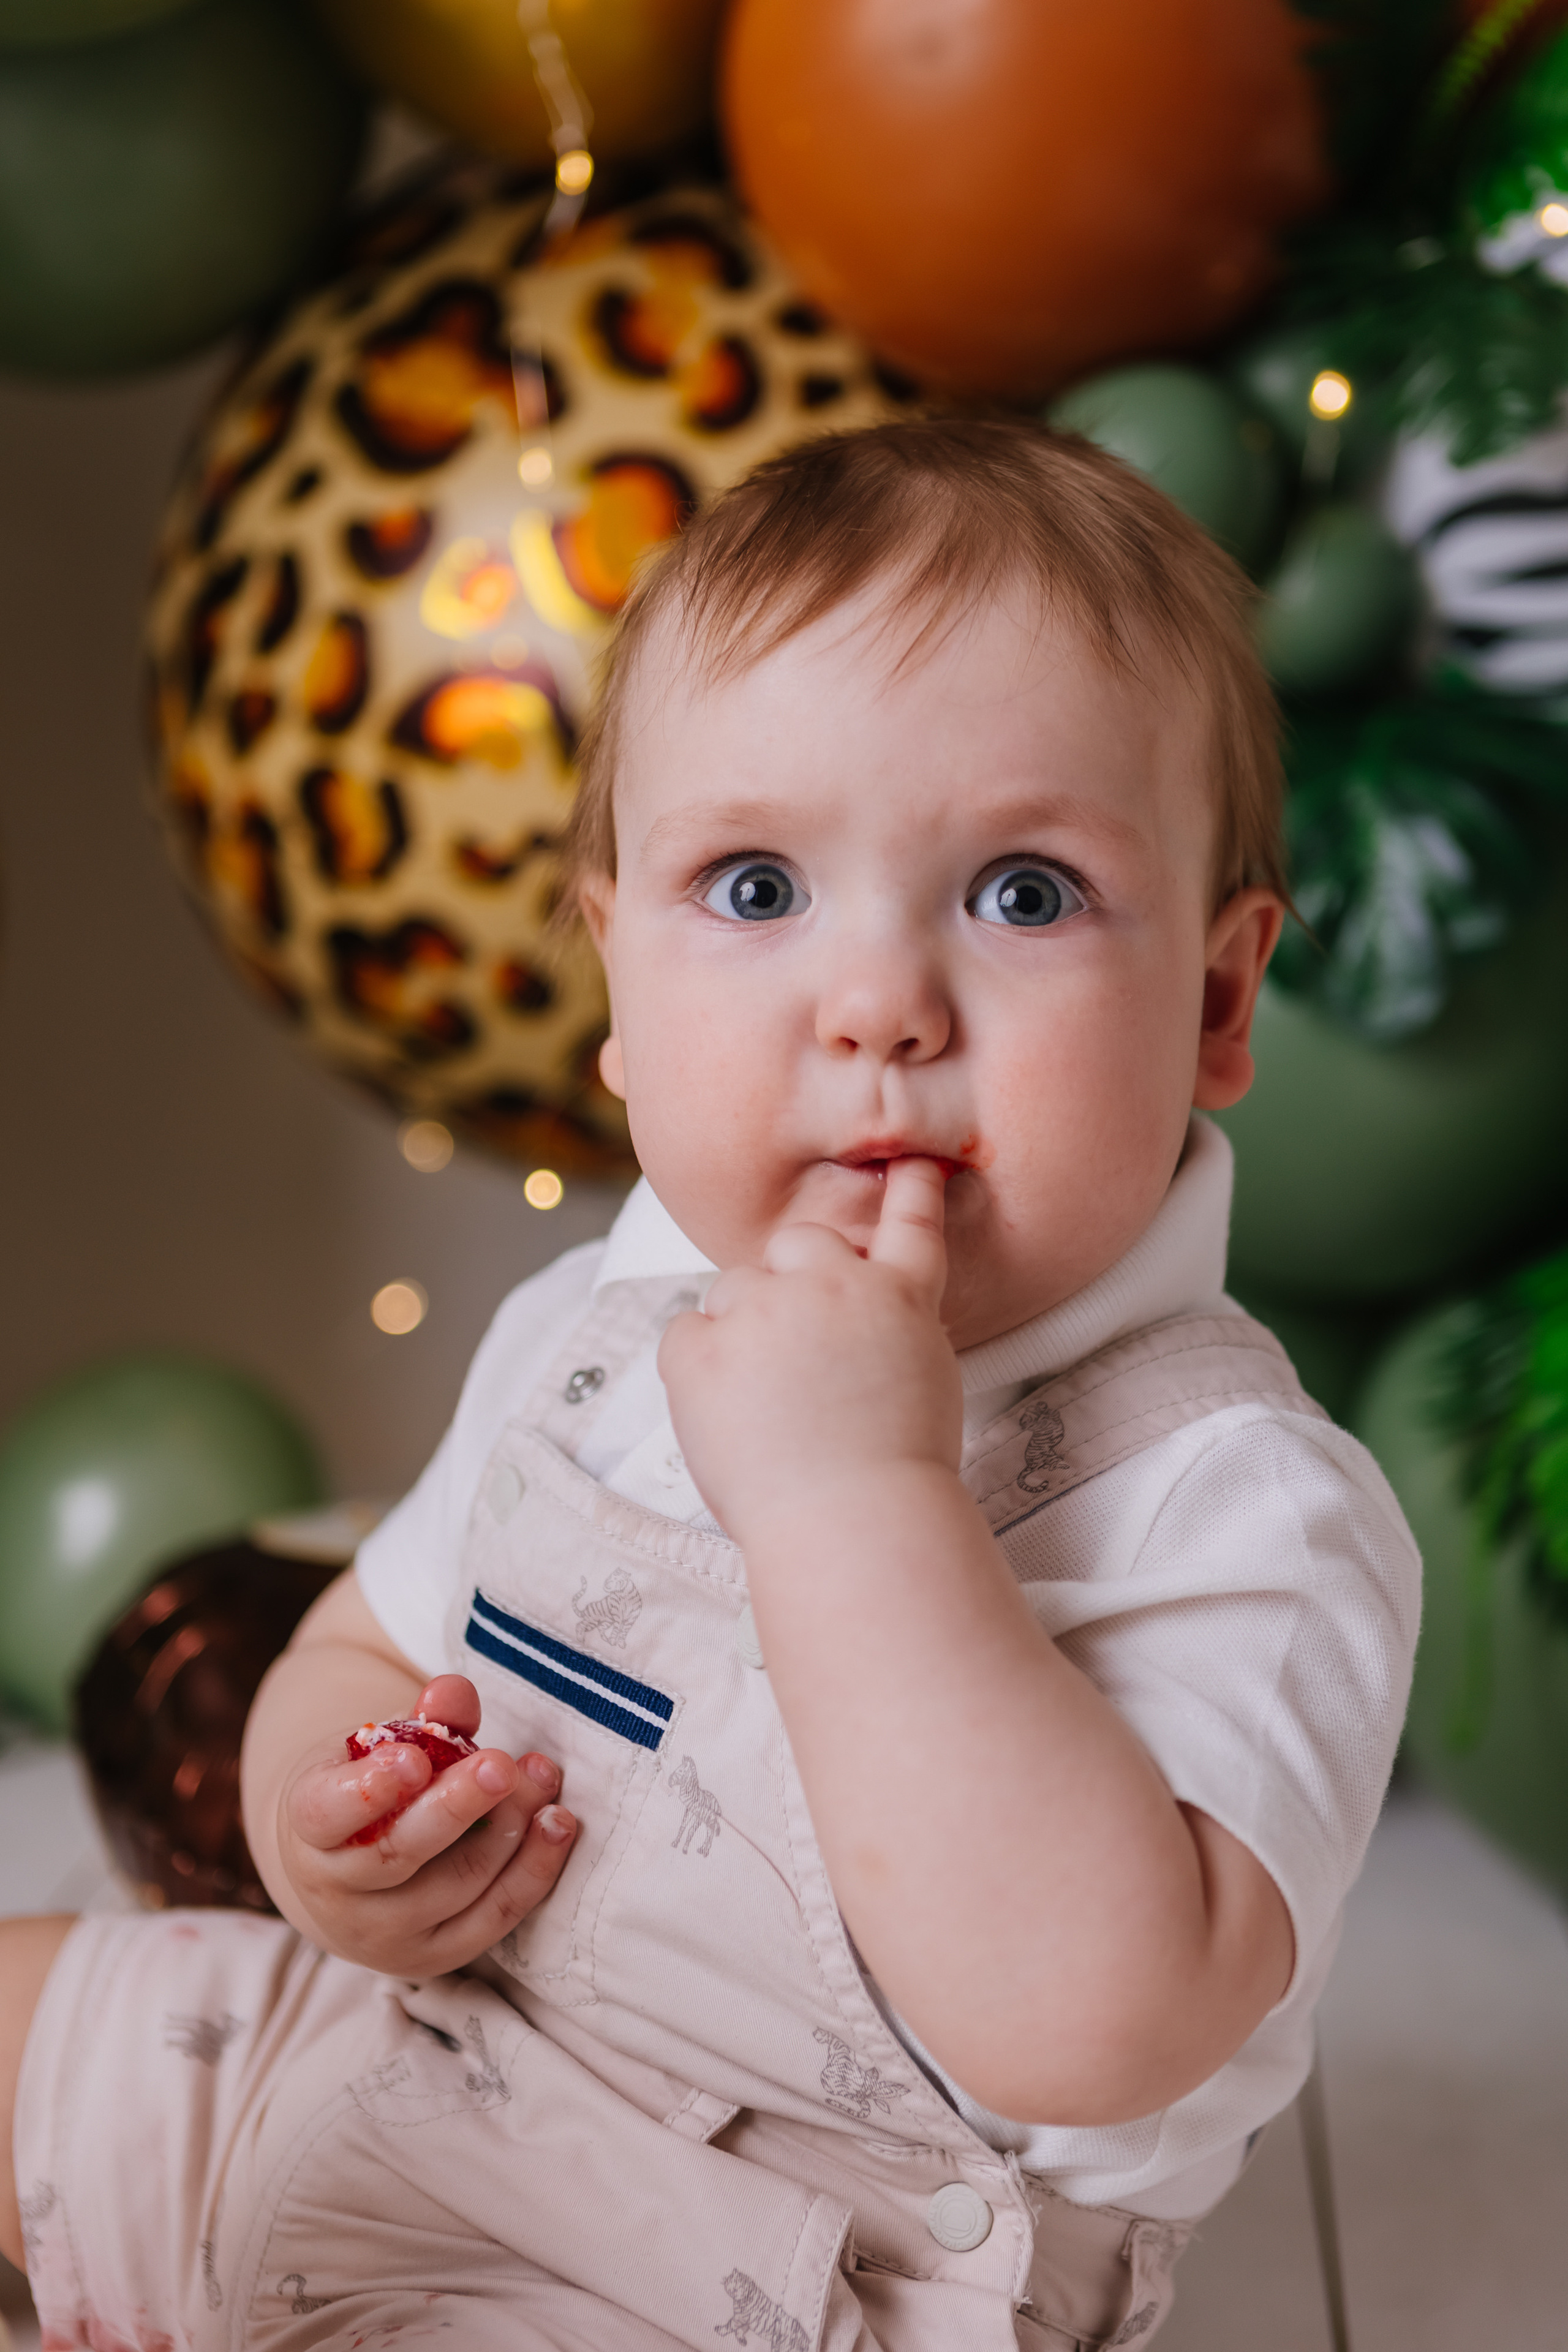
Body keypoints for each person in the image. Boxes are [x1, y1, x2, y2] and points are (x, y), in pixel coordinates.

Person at [1, 418, 1420, 2352]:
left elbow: (1096, 2021)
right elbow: (364, 1641)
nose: (878, 1003)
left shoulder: (1245, 1500)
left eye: (1022, 893)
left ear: (1217, 1000)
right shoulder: (596, 1332)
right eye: (756, 889)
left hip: (818, 2279)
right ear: (616, 980)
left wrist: (861, 1494)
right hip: (433, 2071)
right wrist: (317, 1836)